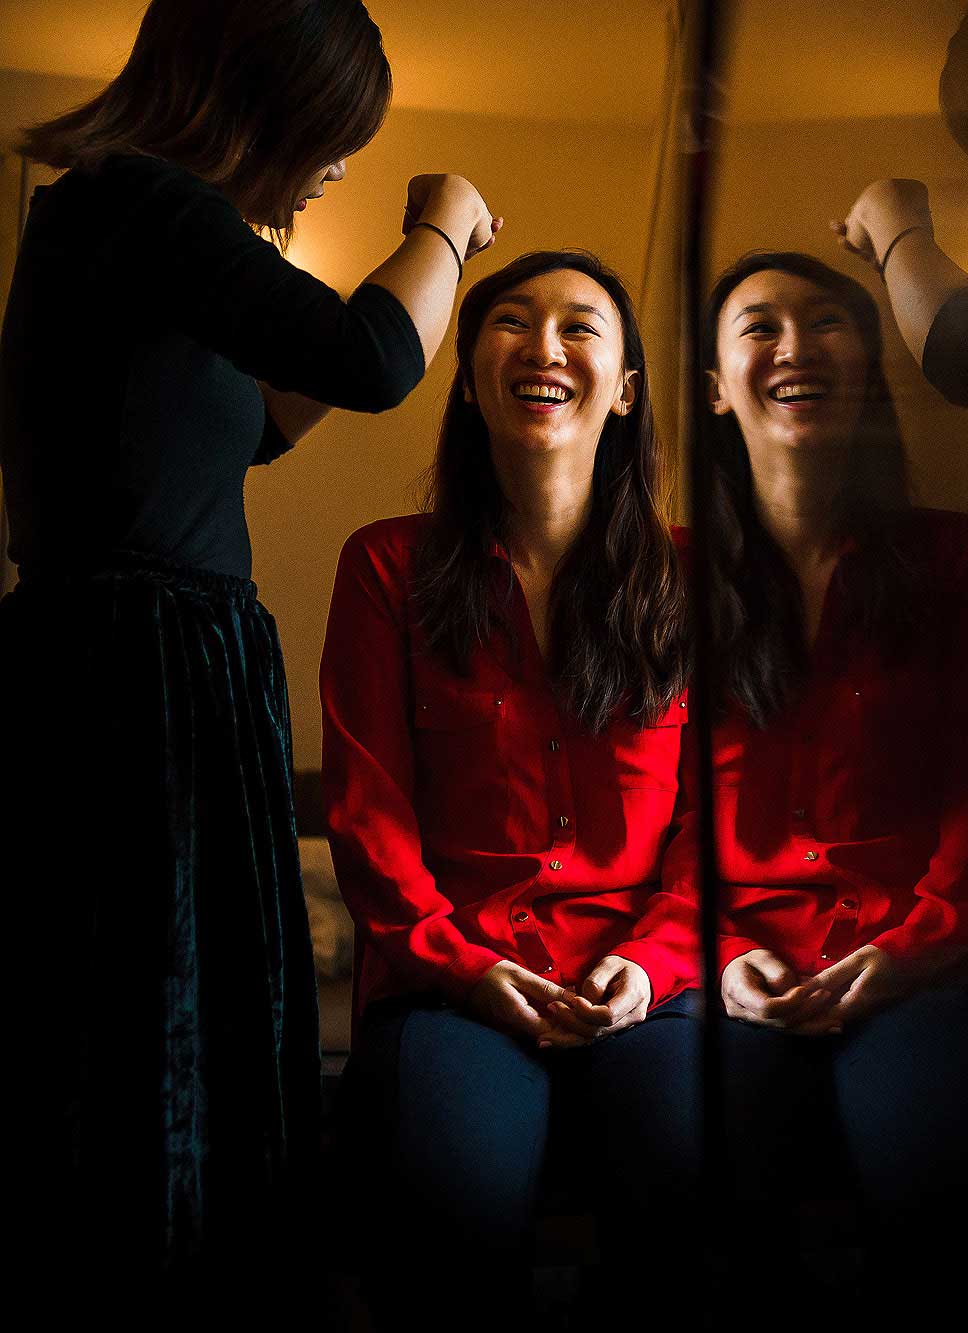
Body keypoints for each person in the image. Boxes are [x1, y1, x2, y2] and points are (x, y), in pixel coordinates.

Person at [0, 0, 497, 1302]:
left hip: (157, 660)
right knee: (143, 1038)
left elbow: (270, 415)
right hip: (132, 677)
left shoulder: (129, 234)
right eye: (333, 135)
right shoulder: (139, 205)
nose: (335, 165)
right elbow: (371, 357)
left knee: (166, 1031)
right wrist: (440, 227)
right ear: (263, 102)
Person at [646, 251, 968, 1318]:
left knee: (934, 1193)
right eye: (758, 325)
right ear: (715, 383)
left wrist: (914, 947)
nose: (795, 348)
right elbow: (657, 816)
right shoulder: (662, 577)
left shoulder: (953, 559)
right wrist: (715, 954)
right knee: (699, 1195)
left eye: (825, 323)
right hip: (724, 972)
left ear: (865, 362)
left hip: (915, 961)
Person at [320, 249, 694, 1325]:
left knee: (683, 1180)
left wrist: (649, 961)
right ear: (467, 377)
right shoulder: (384, 566)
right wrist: (465, 967)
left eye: (581, 325)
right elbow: (368, 811)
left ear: (624, 387)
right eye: (511, 322)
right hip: (456, 986)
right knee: (456, 1206)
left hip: (647, 985)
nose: (544, 346)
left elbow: (716, 821)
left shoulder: (695, 583)